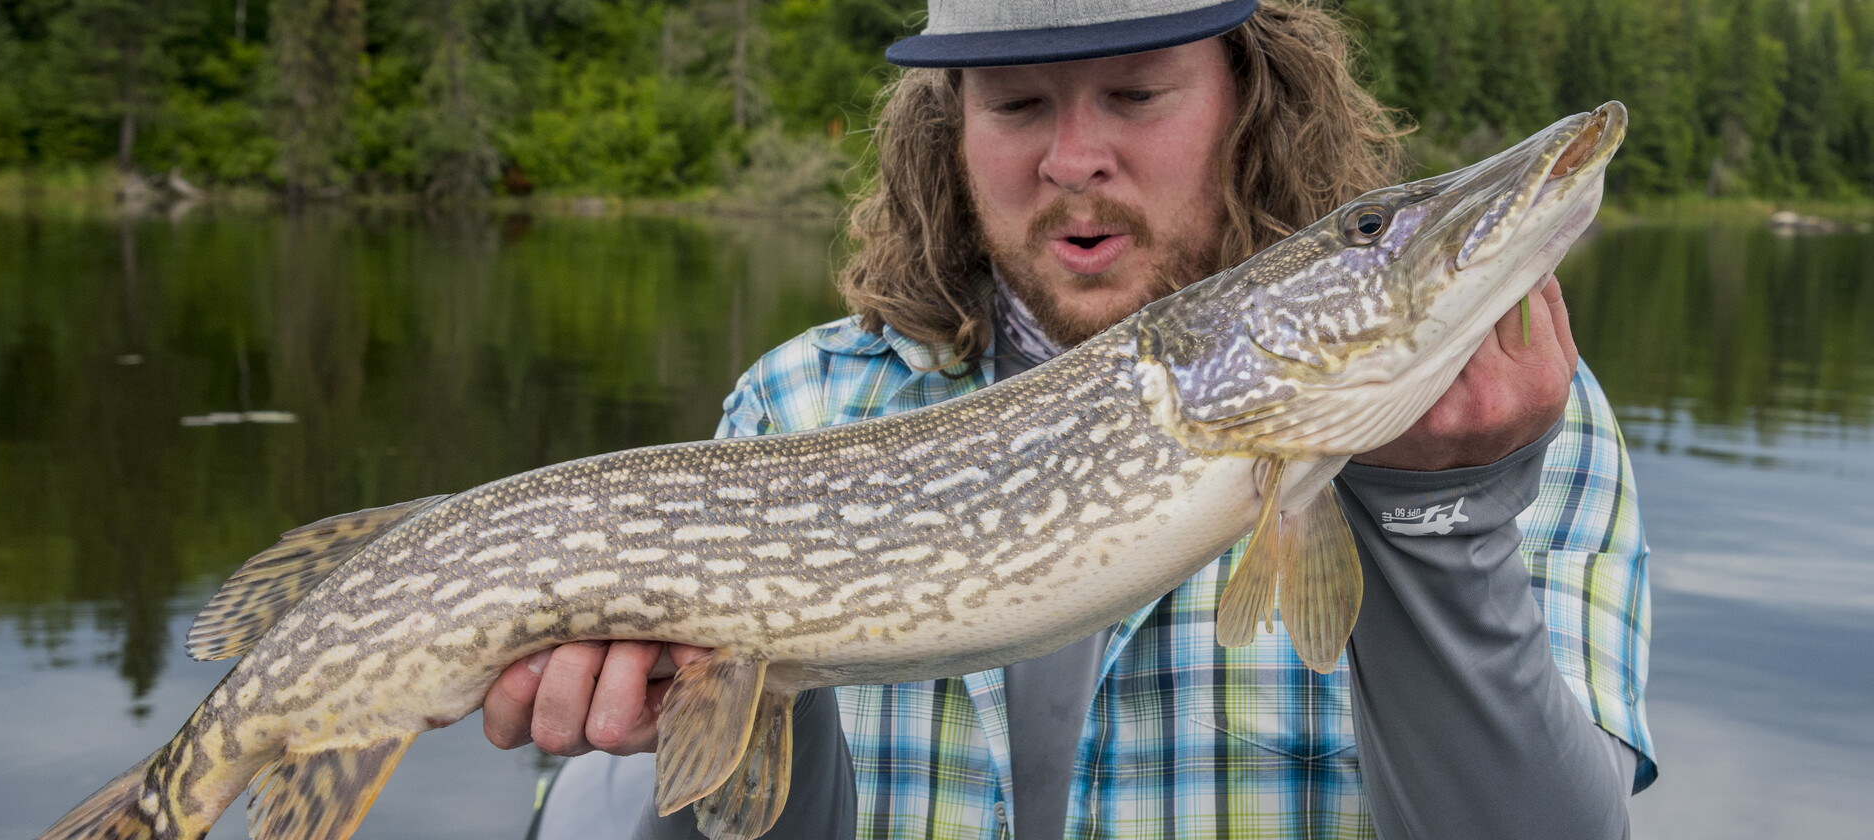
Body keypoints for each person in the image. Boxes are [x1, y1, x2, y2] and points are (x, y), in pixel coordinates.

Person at [484, 2, 1657, 838]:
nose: (1074, 158)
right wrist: (698, 726)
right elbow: (731, 811)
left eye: (1138, 93)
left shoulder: (1513, 411)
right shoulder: (802, 407)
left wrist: (1433, 516)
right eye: (1017, 103)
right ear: (951, 129)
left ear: (1252, 99)